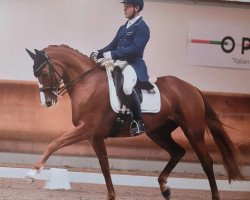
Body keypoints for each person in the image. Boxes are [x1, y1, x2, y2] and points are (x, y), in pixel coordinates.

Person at [91, 0, 150, 136]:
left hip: (132, 64)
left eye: (127, 7)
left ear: (136, 8)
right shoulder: (123, 27)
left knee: (127, 87)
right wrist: (99, 52)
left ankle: (137, 121)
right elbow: (112, 45)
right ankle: (117, 113)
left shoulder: (142, 27)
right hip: (118, 63)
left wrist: (111, 54)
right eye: (124, 7)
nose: (124, 9)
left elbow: (135, 49)